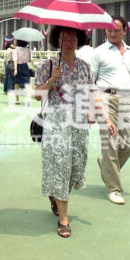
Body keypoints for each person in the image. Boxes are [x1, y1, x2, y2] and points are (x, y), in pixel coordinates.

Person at [35, 26, 106, 238]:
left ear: (79, 40)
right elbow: (38, 95)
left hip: (79, 123)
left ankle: (55, 195)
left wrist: (101, 116)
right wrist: (51, 80)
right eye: (65, 38)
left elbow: (92, 93)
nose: (69, 42)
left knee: (76, 165)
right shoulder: (47, 65)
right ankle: (63, 219)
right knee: (61, 163)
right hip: (56, 120)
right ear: (58, 40)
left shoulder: (85, 67)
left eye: (73, 38)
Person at [90, 16, 130, 205]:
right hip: (105, 97)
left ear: (125, 31)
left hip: (127, 100)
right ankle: (114, 189)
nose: (112, 33)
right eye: (109, 30)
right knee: (111, 142)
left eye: (116, 30)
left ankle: (106, 167)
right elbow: (90, 83)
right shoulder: (99, 52)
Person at [12, 39, 32, 106]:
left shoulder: (16, 49)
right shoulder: (28, 49)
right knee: (27, 84)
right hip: (25, 66)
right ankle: (28, 100)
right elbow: (29, 60)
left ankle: (17, 100)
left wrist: (15, 70)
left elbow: (15, 60)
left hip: (18, 67)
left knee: (17, 84)